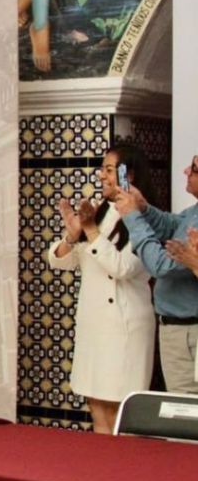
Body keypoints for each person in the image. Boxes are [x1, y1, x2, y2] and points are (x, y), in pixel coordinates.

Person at [47, 144, 155, 432]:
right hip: (93, 324)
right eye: (102, 169)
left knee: (123, 413)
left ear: (128, 175)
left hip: (124, 326)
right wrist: (72, 236)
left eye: (109, 170)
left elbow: (123, 267)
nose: (101, 176)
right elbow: (60, 261)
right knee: (97, 407)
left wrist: (90, 230)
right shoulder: (100, 212)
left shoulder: (146, 218)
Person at [116, 152, 198, 395]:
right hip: (179, 330)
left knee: (186, 410)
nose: (186, 171)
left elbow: (161, 266)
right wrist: (144, 208)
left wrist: (132, 217)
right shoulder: (194, 212)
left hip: (189, 330)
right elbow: (173, 226)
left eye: (194, 168)